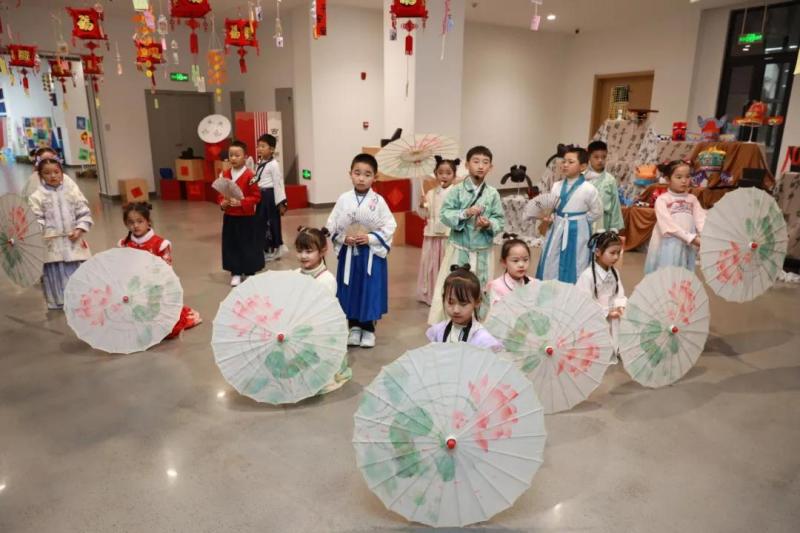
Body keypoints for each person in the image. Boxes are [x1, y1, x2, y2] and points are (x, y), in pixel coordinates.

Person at [325, 153, 396, 349]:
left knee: (369, 289)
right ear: (350, 174)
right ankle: (354, 326)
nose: (361, 178)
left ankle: (369, 328)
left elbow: (390, 225)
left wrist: (370, 237)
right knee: (350, 288)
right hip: (350, 253)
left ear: (375, 177)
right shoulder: (344, 199)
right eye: (357, 173)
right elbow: (332, 223)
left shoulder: (378, 201)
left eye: (367, 174)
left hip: (370, 254)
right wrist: (342, 237)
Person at [428, 145, 505, 324]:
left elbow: (500, 220)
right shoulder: (457, 190)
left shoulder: (492, 193)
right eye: (476, 161)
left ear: (491, 167)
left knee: (482, 287)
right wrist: (465, 213)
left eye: (485, 162)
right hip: (459, 249)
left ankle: (479, 323)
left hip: (483, 251)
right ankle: (452, 322)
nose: (480, 166)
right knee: (456, 286)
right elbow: (445, 214)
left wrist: (488, 224)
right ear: (467, 165)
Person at [118, 202, 202, 338]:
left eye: (140, 221)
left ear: (148, 222)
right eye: (131, 222)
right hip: (134, 287)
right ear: (126, 224)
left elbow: (166, 270)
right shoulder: (124, 244)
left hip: (155, 288)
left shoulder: (160, 244)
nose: (135, 225)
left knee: (168, 328)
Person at [530, 145, 602, 284]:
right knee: (552, 256)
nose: (565, 165)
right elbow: (552, 207)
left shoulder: (589, 189)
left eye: (570, 162)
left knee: (577, 258)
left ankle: (574, 288)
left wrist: (581, 221)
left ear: (582, 166)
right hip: (557, 226)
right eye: (564, 161)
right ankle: (550, 285)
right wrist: (550, 217)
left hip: (578, 229)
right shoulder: (556, 186)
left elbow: (597, 211)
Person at [27, 158, 92, 310]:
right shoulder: (37, 197)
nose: (53, 176)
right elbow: (36, 218)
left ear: (62, 173)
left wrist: (79, 229)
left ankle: (78, 300)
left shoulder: (72, 192)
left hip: (73, 241)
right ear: (40, 176)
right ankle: (59, 301)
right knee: (55, 272)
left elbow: (84, 213)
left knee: (75, 271)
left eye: (56, 172)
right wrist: (38, 229)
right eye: (47, 173)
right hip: (52, 243)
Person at [293, 225, 352, 393]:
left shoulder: (326, 279)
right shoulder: (296, 273)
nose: (303, 256)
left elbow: (322, 311)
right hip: (301, 321)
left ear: (323, 251)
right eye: (300, 251)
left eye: (309, 251)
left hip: (321, 326)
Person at [644, 160, 707, 274]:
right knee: (667, 274)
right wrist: (692, 239)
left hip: (688, 244)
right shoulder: (663, 200)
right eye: (679, 177)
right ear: (668, 179)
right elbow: (668, 226)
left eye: (687, 176)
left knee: (683, 276)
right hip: (668, 244)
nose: (684, 181)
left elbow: (701, 220)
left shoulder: (692, 199)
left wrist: (705, 237)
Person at [218, 140, 264, 287]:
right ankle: (236, 272)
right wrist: (223, 203)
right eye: (231, 155)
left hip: (246, 217)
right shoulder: (224, 174)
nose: (233, 158)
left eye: (237, 155)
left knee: (248, 244)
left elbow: (256, 197)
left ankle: (249, 271)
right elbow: (220, 194)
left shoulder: (251, 175)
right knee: (232, 244)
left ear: (245, 157)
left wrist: (242, 202)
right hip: (230, 216)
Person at [426, 265, 502, 351]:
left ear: (477, 302)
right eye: (451, 302)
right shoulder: (438, 330)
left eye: (463, 304)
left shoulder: (483, 339)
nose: (456, 310)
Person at [416, 155, 458, 305]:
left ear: (454, 175)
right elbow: (424, 215)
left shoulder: (457, 193)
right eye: (440, 172)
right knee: (431, 264)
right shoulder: (430, 193)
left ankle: (448, 293)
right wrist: (422, 205)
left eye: (448, 173)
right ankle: (431, 294)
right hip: (432, 234)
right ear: (435, 174)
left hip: (448, 235)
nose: (444, 176)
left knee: (446, 264)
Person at [576, 231, 626, 352]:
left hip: (613, 313)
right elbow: (584, 302)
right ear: (598, 252)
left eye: (618, 253)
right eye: (612, 253)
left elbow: (619, 293)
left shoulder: (614, 272)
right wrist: (606, 312)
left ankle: (615, 347)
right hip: (594, 316)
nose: (616, 257)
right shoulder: (587, 276)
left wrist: (620, 306)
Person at [255, 134, 288, 262]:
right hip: (261, 196)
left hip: (270, 197)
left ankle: (274, 249)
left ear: (272, 149)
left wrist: (281, 203)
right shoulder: (261, 162)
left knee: (271, 223)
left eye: (263, 146)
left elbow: (278, 183)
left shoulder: (274, 164)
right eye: (258, 146)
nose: (259, 149)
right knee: (261, 223)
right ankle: (265, 248)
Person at [585, 140, 624, 233]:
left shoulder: (610, 180)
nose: (600, 160)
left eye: (603, 157)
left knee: (600, 241)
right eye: (596, 157)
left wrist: (614, 227)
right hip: (584, 219)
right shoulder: (583, 177)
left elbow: (615, 204)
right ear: (589, 157)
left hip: (604, 220)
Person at [485, 234, 533, 309]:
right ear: (504, 262)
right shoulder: (496, 286)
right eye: (515, 260)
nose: (521, 265)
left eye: (525, 260)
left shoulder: (533, 283)